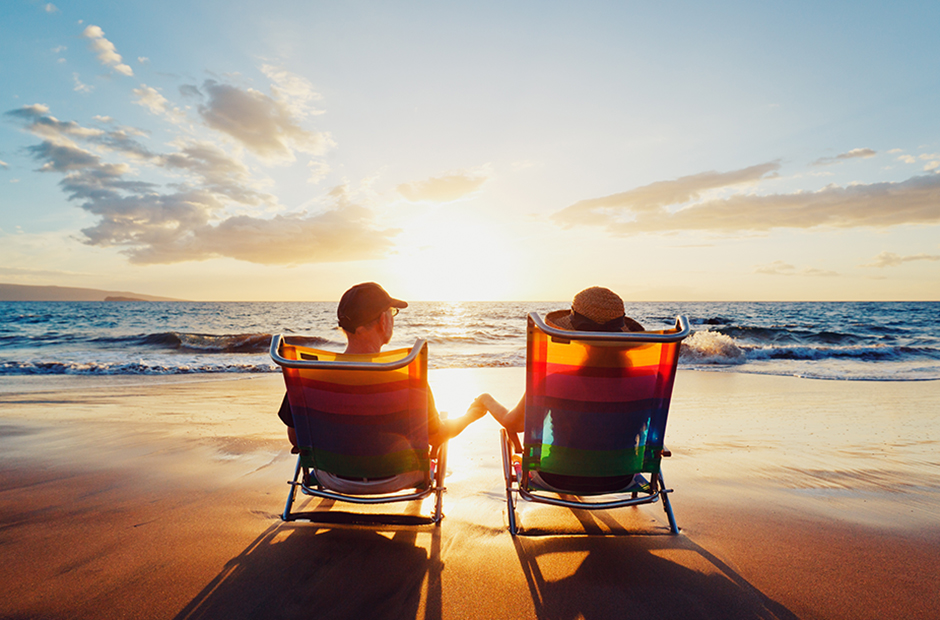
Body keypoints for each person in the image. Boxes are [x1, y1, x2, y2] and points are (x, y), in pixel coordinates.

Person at [473, 286, 646, 493]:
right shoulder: (645, 383)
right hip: (621, 478)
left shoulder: (555, 381)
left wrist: (486, 400)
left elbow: (515, 423)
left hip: (556, 477)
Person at [277, 282, 486, 452]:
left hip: (330, 477)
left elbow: (296, 437)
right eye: (391, 313)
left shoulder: (311, 376)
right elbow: (436, 436)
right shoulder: (407, 378)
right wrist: (470, 416)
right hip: (396, 479)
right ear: (384, 321)